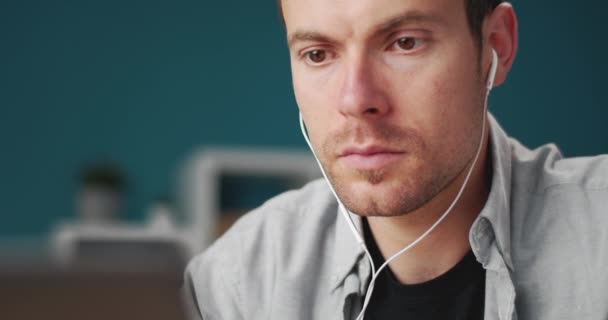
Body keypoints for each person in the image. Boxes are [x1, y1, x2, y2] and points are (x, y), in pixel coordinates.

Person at [183, 0, 608, 319]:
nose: (355, 100)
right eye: (318, 54)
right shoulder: (233, 284)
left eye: (405, 43)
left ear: (494, 48)